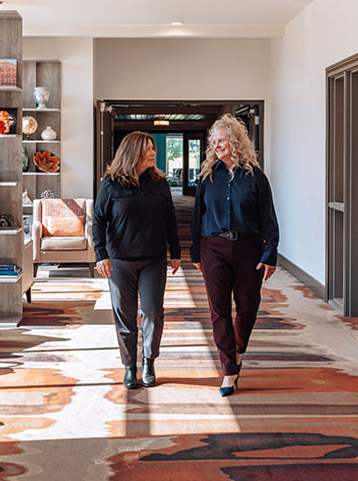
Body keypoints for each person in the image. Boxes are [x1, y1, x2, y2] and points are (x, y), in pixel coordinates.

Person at [191, 114, 279, 397]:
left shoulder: (255, 177)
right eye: (214, 142)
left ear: (235, 142)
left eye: (222, 140)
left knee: (248, 306)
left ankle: (238, 350)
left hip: (249, 248)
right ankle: (229, 369)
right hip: (213, 247)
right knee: (218, 310)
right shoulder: (207, 177)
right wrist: (195, 250)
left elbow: (269, 219)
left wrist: (270, 253)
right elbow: (197, 216)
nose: (217, 146)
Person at [93, 131, 181, 389]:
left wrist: (175, 251)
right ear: (133, 152)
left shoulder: (160, 183)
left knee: (153, 312)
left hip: (154, 259)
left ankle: (149, 361)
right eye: (147, 149)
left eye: (153, 148)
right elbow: (98, 220)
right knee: (125, 315)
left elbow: (170, 219)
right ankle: (130, 366)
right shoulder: (111, 184)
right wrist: (101, 254)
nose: (153, 152)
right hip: (120, 261)